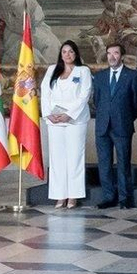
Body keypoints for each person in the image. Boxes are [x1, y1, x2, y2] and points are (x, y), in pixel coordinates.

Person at [43, 41, 92, 209]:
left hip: (75, 120)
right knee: (57, 158)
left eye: (71, 51)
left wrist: (68, 114)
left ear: (75, 54)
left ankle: (73, 195)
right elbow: (45, 94)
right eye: (64, 52)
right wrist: (49, 114)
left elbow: (84, 95)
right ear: (61, 54)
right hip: (54, 120)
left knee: (74, 157)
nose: (67, 55)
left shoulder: (83, 71)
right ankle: (59, 195)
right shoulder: (52, 70)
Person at [90, 43, 137, 210]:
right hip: (102, 126)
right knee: (104, 164)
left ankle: (125, 199)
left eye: (116, 53)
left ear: (122, 56)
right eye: (109, 53)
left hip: (122, 125)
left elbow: (136, 103)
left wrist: (125, 117)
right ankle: (109, 197)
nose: (112, 57)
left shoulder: (132, 75)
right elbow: (96, 100)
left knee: (123, 163)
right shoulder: (100, 76)